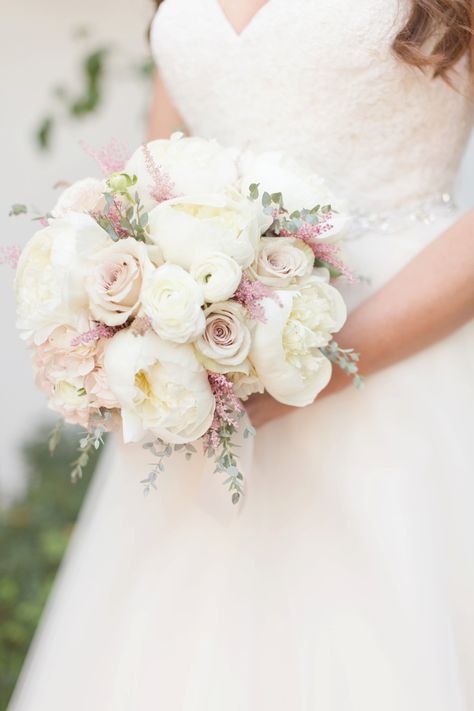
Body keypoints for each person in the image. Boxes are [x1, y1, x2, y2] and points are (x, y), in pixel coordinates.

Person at [9, 1, 474, 709]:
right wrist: (130, 322)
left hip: (405, 363)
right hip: (209, 369)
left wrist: (313, 368)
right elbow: (154, 171)